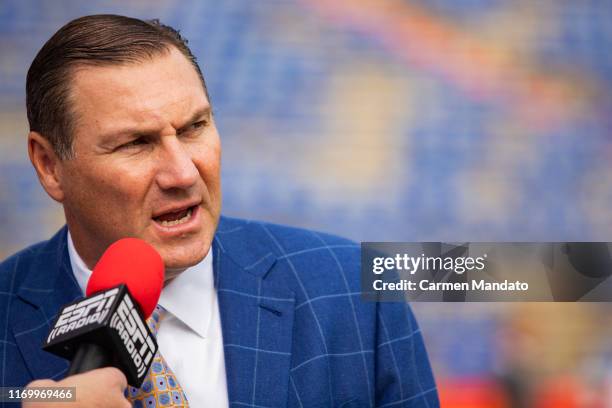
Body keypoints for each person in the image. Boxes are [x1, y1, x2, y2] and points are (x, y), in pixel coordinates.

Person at [0, 14, 439, 407]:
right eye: (136, 143)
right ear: (49, 165)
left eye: (194, 128)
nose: (183, 173)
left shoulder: (351, 289)